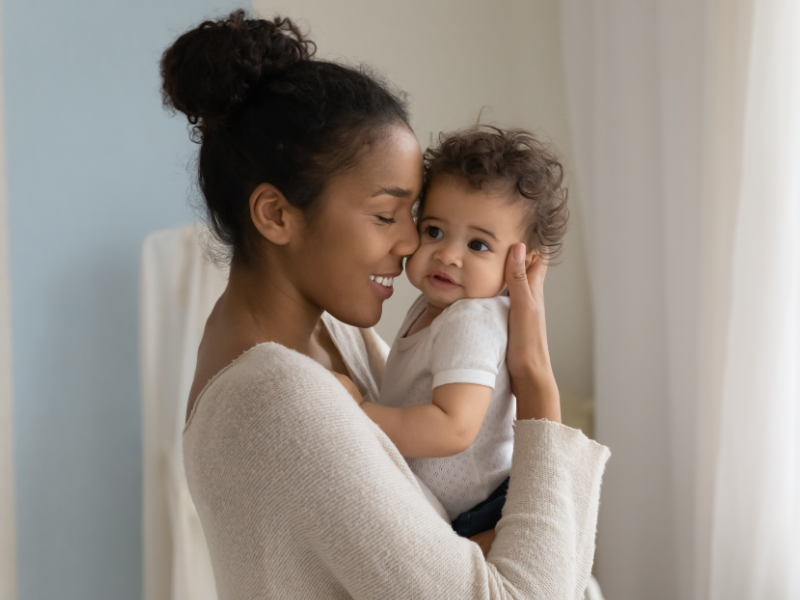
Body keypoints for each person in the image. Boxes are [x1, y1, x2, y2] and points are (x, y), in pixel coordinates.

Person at [163, 10, 610, 599]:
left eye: (412, 215)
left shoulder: (328, 337)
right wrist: (535, 381)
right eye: (384, 215)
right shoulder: (276, 397)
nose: (409, 244)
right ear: (276, 215)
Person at [348, 126, 568, 540]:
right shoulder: (436, 306)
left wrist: (357, 415)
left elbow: (453, 428)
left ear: (521, 263)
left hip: (480, 512)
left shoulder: (470, 319)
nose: (447, 254)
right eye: (434, 231)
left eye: (478, 245)